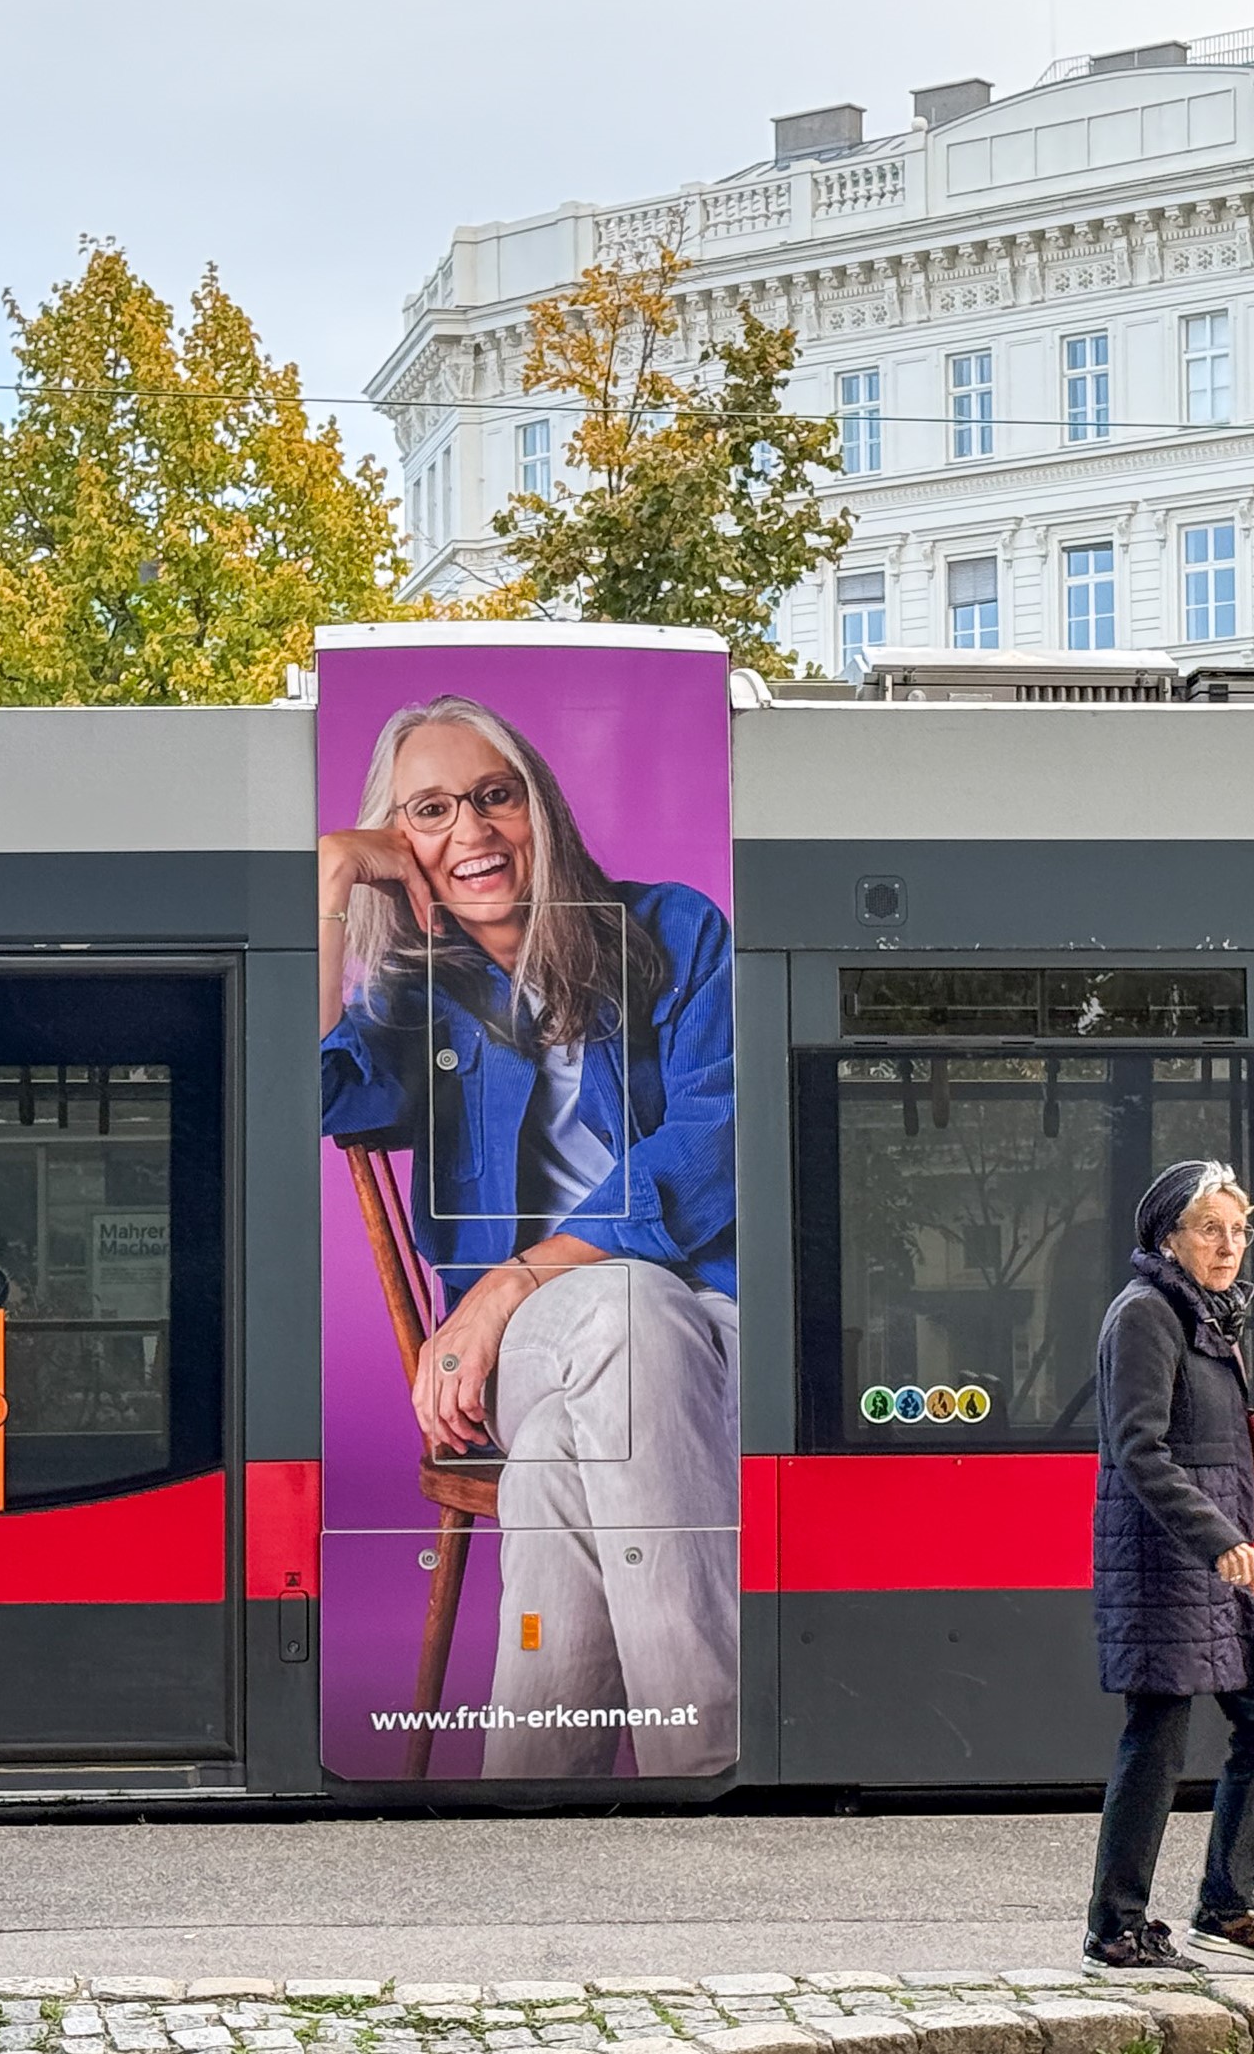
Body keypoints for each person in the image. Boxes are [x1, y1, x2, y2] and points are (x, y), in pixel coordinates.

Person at [318, 693, 738, 1778]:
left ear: (537, 806)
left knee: (559, 1458)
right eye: (430, 809)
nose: (472, 832)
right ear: (399, 840)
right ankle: (706, 1766)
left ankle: (529, 1799)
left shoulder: (671, 932)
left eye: (494, 795)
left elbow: (715, 1137)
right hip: (536, 1356)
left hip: (713, 1330)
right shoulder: (417, 997)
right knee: (626, 1317)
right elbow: (305, 1093)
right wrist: (326, 888)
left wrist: (507, 1282)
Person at [1085, 1159, 1254, 1975]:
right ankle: (1115, 1927)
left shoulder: (1207, 1315)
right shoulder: (1146, 1314)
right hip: (1168, 1559)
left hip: (1210, 1565)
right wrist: (1219, 1535)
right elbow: (1139, 1447)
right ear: (1169, 1236)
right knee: (1155, 1736)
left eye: (1237, 1231)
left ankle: (1225, 1905)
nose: (1228, 1246)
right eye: (1209, 1229)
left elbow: (1201, 1436)